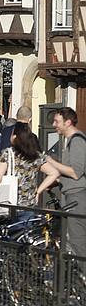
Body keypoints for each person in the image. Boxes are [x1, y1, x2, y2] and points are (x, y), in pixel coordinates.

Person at [0, 122, 60, 214]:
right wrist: (38, 191)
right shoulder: (36, 156)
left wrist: (6, 185)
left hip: (10, 204)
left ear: (15, 137)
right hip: (30, 204)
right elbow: (54, 173)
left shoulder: (8, 154)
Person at [45, 108, 86, 254]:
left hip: (77, 197)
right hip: (73, 196)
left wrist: (50, 161)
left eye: (57, 121)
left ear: (68, 122)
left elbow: (76, 173)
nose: (54, 124)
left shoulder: (77, 141)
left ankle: (82, 275)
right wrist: (57, 181)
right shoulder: (71, 141)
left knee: (78, 242)